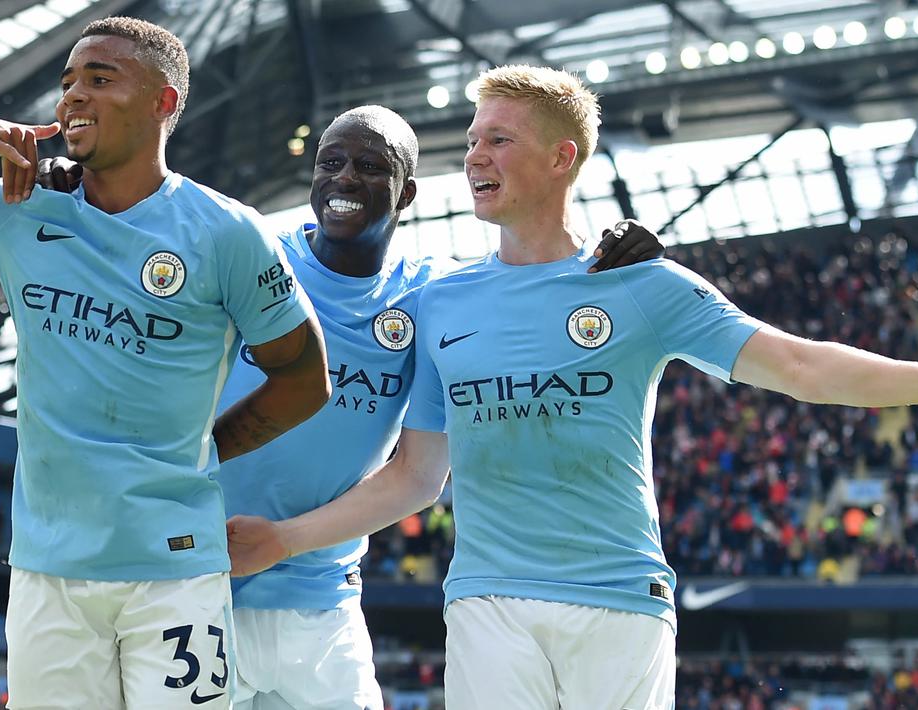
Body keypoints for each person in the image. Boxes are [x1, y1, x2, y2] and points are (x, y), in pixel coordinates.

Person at [226, 64, 918, 709]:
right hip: (486, 600)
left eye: (498, 140)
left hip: (617, 596)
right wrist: (282, 537)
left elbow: (797, 365)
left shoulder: (644, 285)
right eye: (470, 141)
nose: (473, 157)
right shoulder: (437, 302)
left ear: (561, 158)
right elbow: (414, 474)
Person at [38, 102, 663, 709]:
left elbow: (529, 292)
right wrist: (86, 195)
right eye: (330, 162)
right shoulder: (252, 255)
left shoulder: (432, 295)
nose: (344, 178)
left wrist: (617, 255)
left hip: (323, 602)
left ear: (406, 193)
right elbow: (141, 265)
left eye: (369, 167)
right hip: (198, 586)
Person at [0, 16, 330, 709]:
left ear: (163, 102)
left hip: (173, 570)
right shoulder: (19, 206)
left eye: (100, 78)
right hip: (47, 572)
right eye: (67, 82)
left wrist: (202, 451)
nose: (73, 97)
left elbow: (304, 379)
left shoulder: (228, 232)